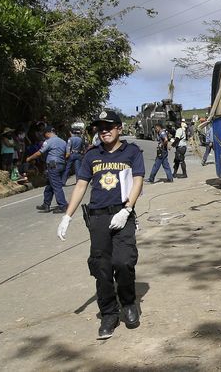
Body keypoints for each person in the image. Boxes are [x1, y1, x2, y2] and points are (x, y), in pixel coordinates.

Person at [56, 109, 144, 339]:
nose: (104, 131)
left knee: (124, 262)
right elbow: (81, 186)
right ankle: (108, 313)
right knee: (101, 267)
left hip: (122, 215)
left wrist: (127, 209)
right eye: (100, 128)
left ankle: (128, 303)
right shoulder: (91, 155)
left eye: (109, 126)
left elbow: (138, 181)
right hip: (98, 217)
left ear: (119, 128)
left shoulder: (132, 152)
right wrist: (68, 215)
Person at [26, 125, 68, 213]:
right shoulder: (63, 141)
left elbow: (39, 153)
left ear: (47, 133)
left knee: (56, 186)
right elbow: (67, 154)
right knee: (50, 184)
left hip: (53, 165)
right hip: (61, 164)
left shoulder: (48, 142)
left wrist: (29, 158)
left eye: (44, 134)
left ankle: (62, 205)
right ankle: (46, 204)